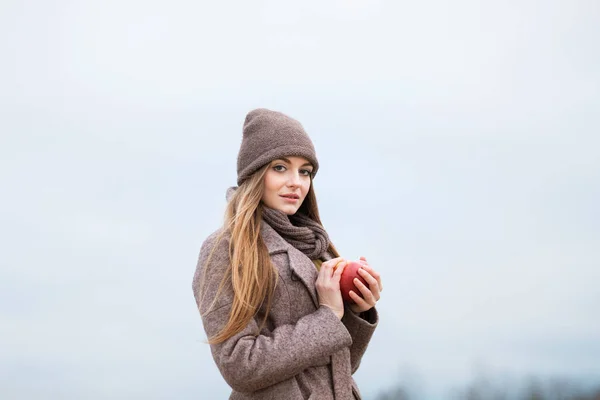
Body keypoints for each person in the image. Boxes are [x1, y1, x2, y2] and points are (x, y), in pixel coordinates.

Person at [192, 108, 383, 399]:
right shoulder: (225, 248)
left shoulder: (316, 245)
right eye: (280, 167)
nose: (296, 181)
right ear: (255, 173)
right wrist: (328, 317)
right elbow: (240, 366)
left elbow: (340, 368)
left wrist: (355, 311)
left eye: (305, 171)